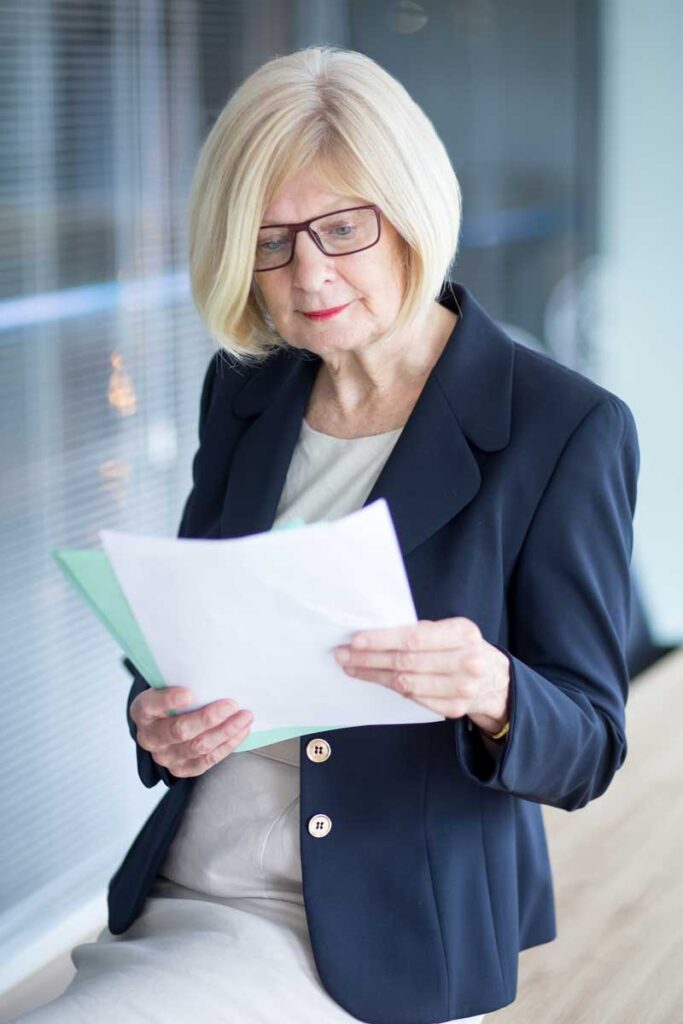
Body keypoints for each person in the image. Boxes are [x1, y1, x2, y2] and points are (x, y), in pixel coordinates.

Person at [15, 44, 639, 1024]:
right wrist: (156, 715)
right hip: (193, 885)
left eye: (340, 227)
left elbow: (591, 743)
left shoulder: (563, 427)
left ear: (409, 211)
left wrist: (491, 686)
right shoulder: (250, 392)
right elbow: (181, 630)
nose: (307, 274)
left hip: (386, 926)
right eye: (269, 243)